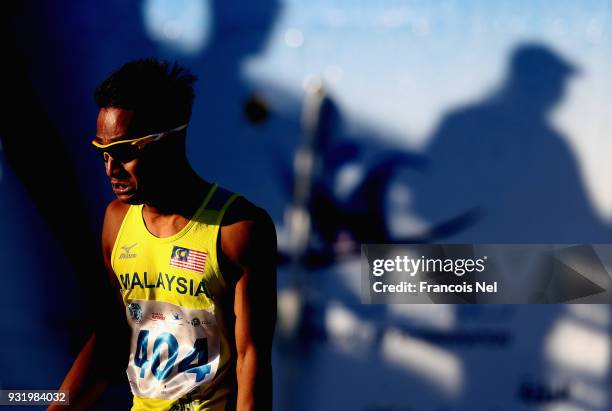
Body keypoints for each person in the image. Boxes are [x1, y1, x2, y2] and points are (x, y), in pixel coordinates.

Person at [50, 59, 277, 410]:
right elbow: (113, 339)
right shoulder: (116, 220)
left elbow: (252, 358)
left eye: (125, 151)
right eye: (102, 151)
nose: (110, 167)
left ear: (170, 139)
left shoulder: (239, 229)